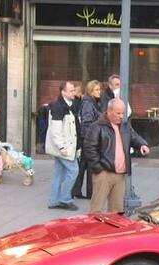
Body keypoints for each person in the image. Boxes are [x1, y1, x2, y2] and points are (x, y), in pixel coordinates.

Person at [84, 98, 149, 213]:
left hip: (120, 175)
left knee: (117, 210)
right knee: (97, 209)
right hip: (103, 173)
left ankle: (112, 230)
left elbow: (134, 137)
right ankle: (94, 230)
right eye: (118, 113)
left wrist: (142, 144)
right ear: (109, 111)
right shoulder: (97, 126)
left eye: (123, 113)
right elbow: (89, 149)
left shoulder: (125, 126)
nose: (121, 116)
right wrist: (98, 169)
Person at [46, 81, 79, 211]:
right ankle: (64, 199)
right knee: (73, 170)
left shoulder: (69, 105)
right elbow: (56, 130)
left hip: (65, 146)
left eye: (73, 90)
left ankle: (54, 200)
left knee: (59, 173)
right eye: (71, 91)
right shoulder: (59, 107)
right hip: (64, 147)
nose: (73, 93)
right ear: (63, 92)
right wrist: (61, 147)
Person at [72, 80, 102, 199]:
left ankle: (76, 190)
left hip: (87, 138)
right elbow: (87, 122)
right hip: (88, 139)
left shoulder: (92, 102)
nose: (99, 92)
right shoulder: (89, 103)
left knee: (83, 165)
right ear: (90, 91)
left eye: (100, 89)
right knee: (89, 166)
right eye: (97, 90)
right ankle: (89, 192)